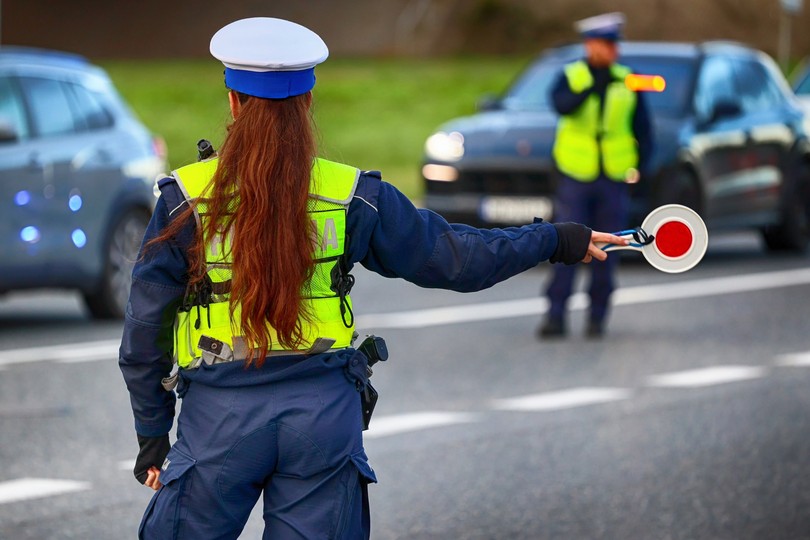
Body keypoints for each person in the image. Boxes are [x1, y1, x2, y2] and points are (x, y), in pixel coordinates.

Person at [118, 17, 628, 540]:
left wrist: (153, 434)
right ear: (307, 104)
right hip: (322, 421)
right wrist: (557, 239)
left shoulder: (186, 200)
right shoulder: (351, 195)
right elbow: (458, 258)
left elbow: (144, 332)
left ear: (232, 102)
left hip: (219, 423)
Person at [539, 12, 654, 339]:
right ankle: (556, 314)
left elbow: (643, 129)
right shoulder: (573, 75)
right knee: (568, 246)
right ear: (590, 45)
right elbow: (562, 105)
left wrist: (641, 167)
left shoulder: (627, 78)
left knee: (610, 248)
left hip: (612, 178)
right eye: (606, 44)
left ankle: (597, 316)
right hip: (576, 176)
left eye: (615, 44)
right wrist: (591, 87)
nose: (613, 50)